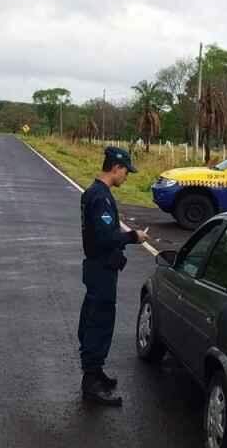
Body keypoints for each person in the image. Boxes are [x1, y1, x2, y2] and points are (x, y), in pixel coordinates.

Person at [78, 146, 149, 406]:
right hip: (101, 269)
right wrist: (134, 237)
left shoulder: (93, 193)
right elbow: (106, 237)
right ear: (116, 168)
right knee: (99, 320)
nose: (126, 177)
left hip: (97, 267)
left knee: (94, 316)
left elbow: (102, 230)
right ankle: (91, 384)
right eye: (126, 172)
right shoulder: (101, 197)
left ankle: (96, 373)